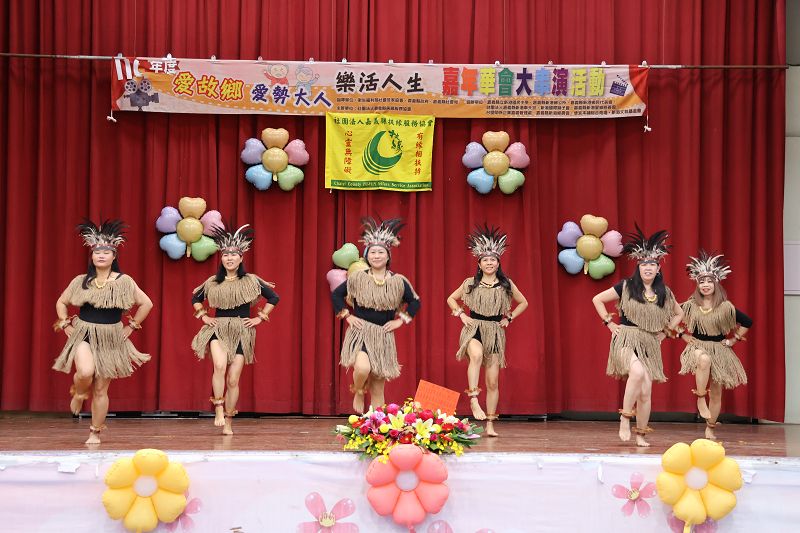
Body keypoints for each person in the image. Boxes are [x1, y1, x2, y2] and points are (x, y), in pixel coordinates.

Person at [53, 219, 153, 444]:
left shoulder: (124, 281)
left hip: (111, 337)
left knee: (100, 389)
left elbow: (147, 304)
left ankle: (94, 432)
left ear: (114, 256)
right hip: (83, 333)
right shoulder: (81, 281)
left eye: (106, 252)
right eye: (97, 252)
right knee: (85, 372)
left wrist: (131, 326)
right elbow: (61, 302)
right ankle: (79, 392)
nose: (101, 255)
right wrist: (65, 323)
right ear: (92, 255)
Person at [592, 226, 683, 447]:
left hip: (649, 343)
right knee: (637, 372)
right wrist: (609, 323)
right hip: (626, 338)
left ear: (658, 268)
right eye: (644, 264)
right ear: (638, 267)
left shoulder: (664, 293)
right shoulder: (626, 286)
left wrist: (665, 332)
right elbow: (597, 299)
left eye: (652, 264)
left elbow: (679, 314)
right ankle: (625, 418)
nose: (648, 268)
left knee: (645, 392)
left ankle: (641, 434)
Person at [191, 224, 279, 435]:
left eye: (233, 255)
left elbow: (274, 297)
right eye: (225, 255)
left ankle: (229, 420)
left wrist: (260, 318)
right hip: (218, 328)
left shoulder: (251, 280)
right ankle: (218, 409)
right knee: (219, 366)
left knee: (232, 379)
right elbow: (195, 298)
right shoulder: (213, 282)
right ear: (221, 259)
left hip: (241, 330)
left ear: (241, 258)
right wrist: (203, 316)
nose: (229, 258)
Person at [446, 225, 528, 437]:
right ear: (479, 263)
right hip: (474, 327)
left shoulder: (506, 284)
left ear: (498, 263)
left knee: (492, 382)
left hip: (494, 331)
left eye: (493, 260)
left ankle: (490, 424)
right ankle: (473, 399)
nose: (489, 263)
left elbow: (523, 302)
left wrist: (509, 317)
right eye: (485, 260)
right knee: (475, 354)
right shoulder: (470, 283)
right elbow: (451, 299)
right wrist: (461, 314)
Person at [332, 217, 420, 413]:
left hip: (383, 336)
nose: (377, 256)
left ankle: (375, 425)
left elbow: (415, 301)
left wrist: (400, 321)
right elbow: (337, 295)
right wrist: (347, 315)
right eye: (372, 252)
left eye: (381, 252)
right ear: (367, 256)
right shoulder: (358, 277)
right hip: (362, 332)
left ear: (388, 256)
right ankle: (358, 390)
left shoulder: (398, 281)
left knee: (378, 387)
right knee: (362, 368)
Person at [678, 251, 751, 440]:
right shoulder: (690, 305)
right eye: (702, 281)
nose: (705, 285)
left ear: (716, 284)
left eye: (709, 281)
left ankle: (710, 427)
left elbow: (747, 322)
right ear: (697, 284)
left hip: (719, 349)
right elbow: (669, 316)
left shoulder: (725, 307)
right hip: (697, 346)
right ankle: (701, 397)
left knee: (717, 392)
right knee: (703, 359)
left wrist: (733, 340)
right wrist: (682, 335)